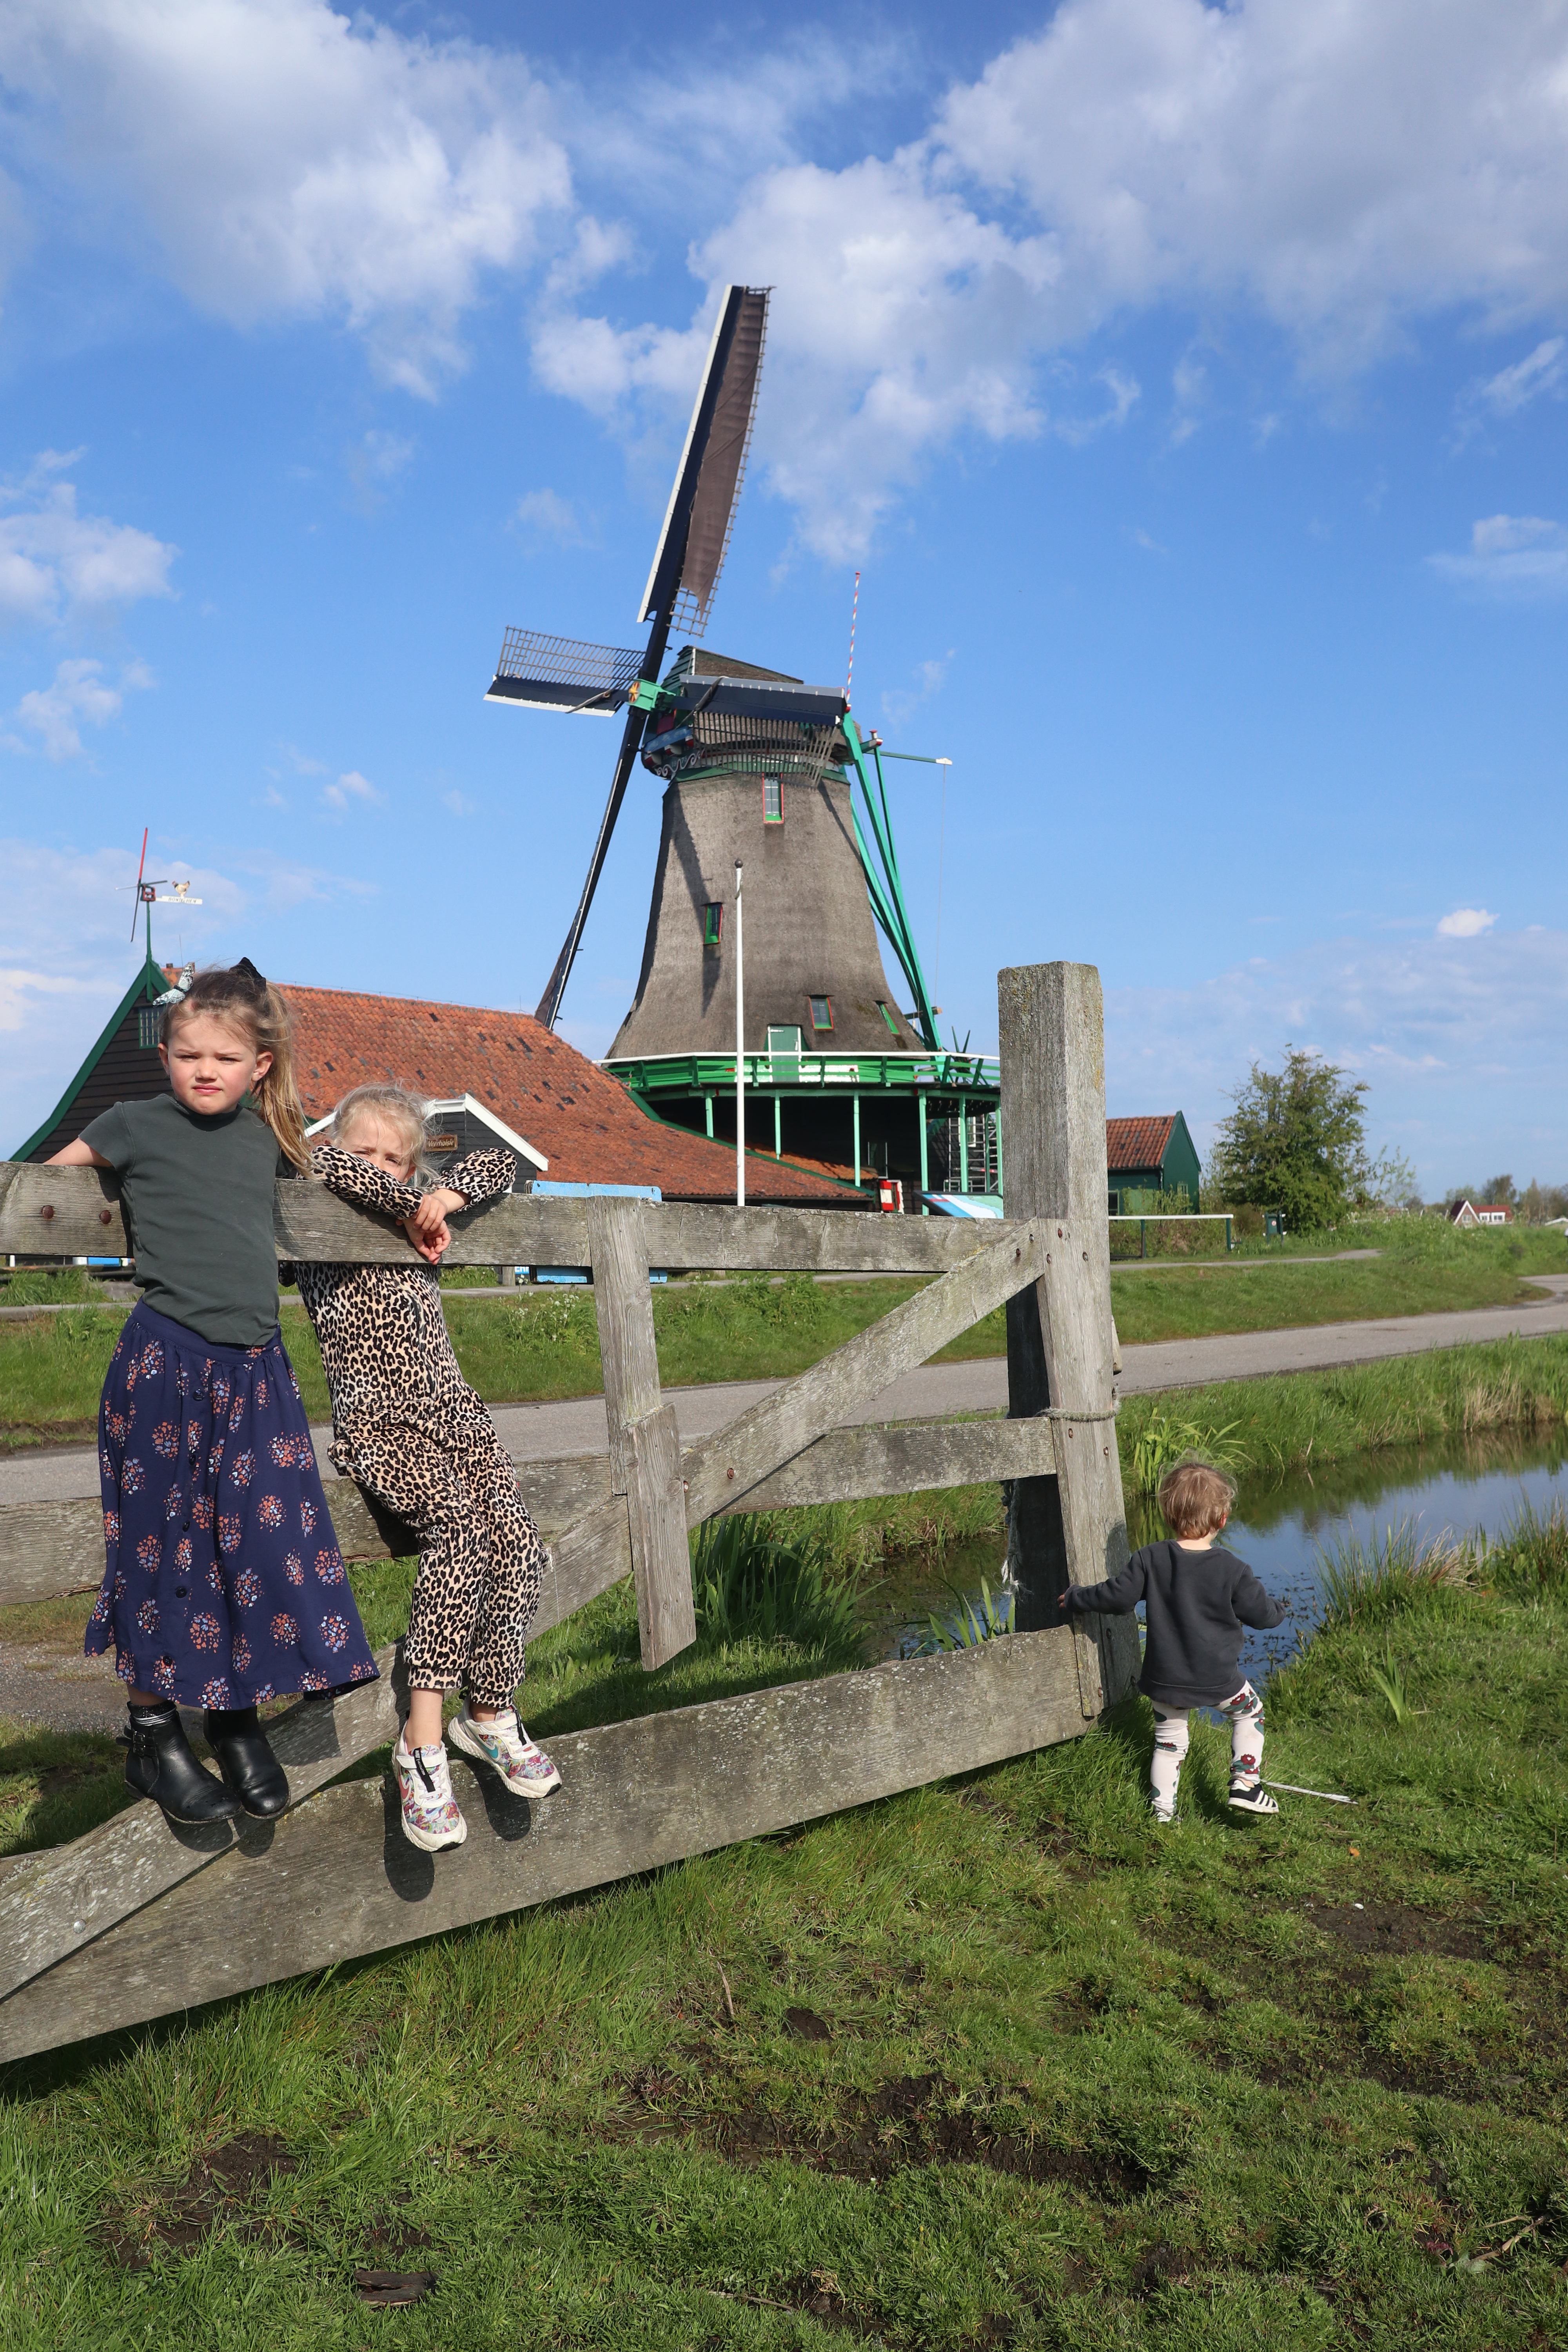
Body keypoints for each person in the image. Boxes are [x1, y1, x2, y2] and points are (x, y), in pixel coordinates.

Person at [48, 960, 378, 1826]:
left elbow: (364, 1178)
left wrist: (439, 1195)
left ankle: (235, 1718)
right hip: (166, 1365)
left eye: (225, 1058)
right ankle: (153, 1733)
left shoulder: (271, 1137)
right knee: (161, 1549)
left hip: (256, 1371)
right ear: (166, 1056)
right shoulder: (133, 1121)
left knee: (259, 1549)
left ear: (260, 1064)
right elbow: (40, 1191)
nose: (204, 1070)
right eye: (187, 1054)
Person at [290, 1083, 556, 1855]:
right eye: (366, 1149)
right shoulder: (321, 1202)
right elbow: (323, 1161)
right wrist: (405, 1202)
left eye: (395, 1159)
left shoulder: (421, 1203)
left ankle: (492, 1711)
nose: (378, 1167)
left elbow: (501, 1158)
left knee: (516, 1541)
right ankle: (421, 1741)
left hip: (457, 1413)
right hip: (382, 1425)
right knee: (458, 1535)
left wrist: (440, 1192)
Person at [1060, 1457, 1286, 1822]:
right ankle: (1246, 1783)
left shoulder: (1151, 1558)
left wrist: (1076, 1597)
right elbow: (1262, 1615)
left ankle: (1163, 1815)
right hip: (1219, 1678)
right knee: (1250, 1713)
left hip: (1165, 1679)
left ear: (1169, 1515)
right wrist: (1280, 1608)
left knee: (1168, 1745)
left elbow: (1116, 1598)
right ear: (1223, 1518)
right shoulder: (1232, 1568)